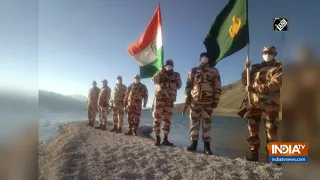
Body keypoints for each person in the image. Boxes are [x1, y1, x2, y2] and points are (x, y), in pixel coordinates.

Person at [241, 45, 282, 162]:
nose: (267, 54)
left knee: (271, 133)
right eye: (265, 52)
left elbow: (275, 85)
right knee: (252, 131)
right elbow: (245, 81)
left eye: (270, 52)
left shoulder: (279, 67)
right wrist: (246, 70)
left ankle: (273, 158)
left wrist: (254, 88)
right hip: (254, 104)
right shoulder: (256, 68)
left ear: (275, 54)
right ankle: (254, 155)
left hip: (271, 105)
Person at [184, 52, 221, 155]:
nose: (204, 59)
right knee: (194, 123)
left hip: (208, 102)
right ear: (200, 59)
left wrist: (216, 100)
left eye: (206, 57)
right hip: (195, 101)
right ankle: (193, 144)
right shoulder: (193, 71)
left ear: (209, 59)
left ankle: (207, 147)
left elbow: (217, 87)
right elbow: (188, 86)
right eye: (202, 57)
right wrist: (187, 98)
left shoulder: (214, 71)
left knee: (207, 125)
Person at [151, 59, 182, 146]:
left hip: (169, 100)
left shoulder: (176, 75)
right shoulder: (160, 73)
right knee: (157, 118)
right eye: (167, 64)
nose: (169, 66)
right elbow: (154, 81)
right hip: (159, 99)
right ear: (165, 65)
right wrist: (160, 72)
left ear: (173, 66)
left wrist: (170, 82)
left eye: (170, 65)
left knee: (167, 120)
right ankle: (157, 138)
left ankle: (165, 139)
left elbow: (179, 85)